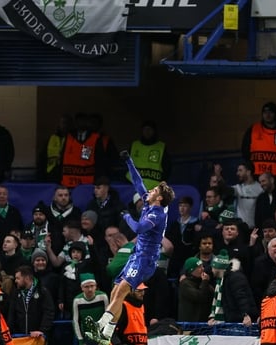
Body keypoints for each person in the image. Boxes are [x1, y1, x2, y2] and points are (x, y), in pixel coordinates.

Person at [85, 150, 174, 345]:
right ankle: (106, 333)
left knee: (123, 289)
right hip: (136, 256)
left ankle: (101, 325)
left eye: (154, 192)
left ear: (159, 198)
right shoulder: (150, 205)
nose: (149, 192)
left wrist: (126, 216)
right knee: (116, 291)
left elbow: (140, 228)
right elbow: (137, 181)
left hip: (146, 260)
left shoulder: (157, 214)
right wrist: (128, 161)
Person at [242, 102, 276, 185]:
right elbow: (245, 150)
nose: (267, 115)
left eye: (271, 112)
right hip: (257, 176)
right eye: (265, 112)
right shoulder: (254, 129)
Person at [7, 265, 54, 337]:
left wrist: (42, 331)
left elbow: (48, 312)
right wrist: (10, 332)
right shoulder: (15, 293)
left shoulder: (42, 292)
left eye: (18, 278)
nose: (15, 281)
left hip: (37, 337)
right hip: (19, 337)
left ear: (27, 278)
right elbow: (11, 314)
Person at [125, 121, 172, 190]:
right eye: (145, 129)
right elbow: (126, 164)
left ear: (154, 131)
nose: (147, 132)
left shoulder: (161, 147)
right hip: (133, 185)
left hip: (154, 188)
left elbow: (167, 167)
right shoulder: (134, 145)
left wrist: (161, 184)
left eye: (149, 129)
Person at [72, 273, 109, 345]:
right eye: (86, 287)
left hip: (103, 335)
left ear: (96, 286)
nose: (90, 289)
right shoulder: (77, 300)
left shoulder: (103, 296)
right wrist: (80, 340)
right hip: (87, 336)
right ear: (82, 288)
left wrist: (105, 336)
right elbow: (75, 321)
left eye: (92, 286)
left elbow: (108, 317)